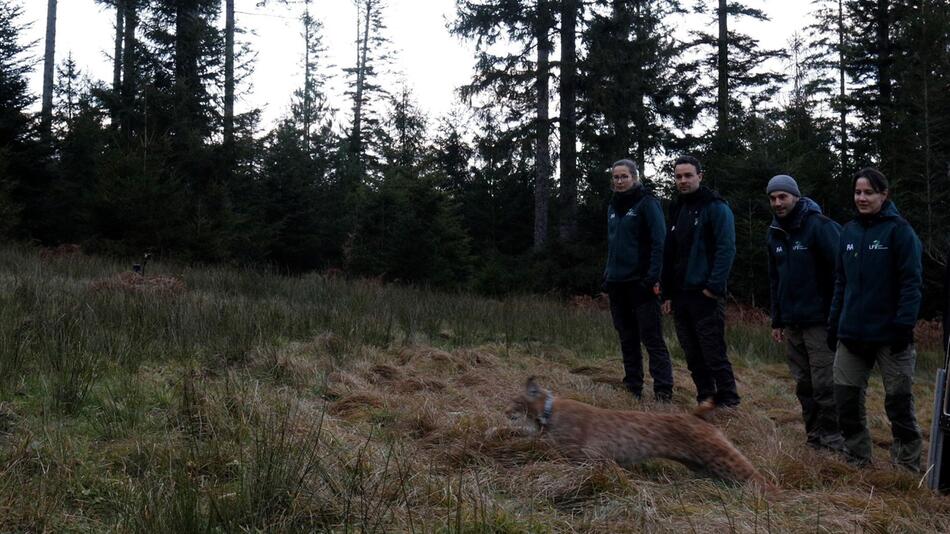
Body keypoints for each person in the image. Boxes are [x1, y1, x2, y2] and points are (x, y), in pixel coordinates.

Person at [828, 167, 923, 471]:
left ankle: (906, 466)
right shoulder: (849, 232)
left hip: (890, 336)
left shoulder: (900, 231)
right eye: (858, 192)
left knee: (898, 402)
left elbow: (911, 283)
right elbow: (841, 282)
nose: (862, 198)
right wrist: (834, 323)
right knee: (845, 400)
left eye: (869, 192)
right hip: (852, 334)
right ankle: (857, 458)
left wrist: (903, 326)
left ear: (884, 195)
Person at [765, 174, 844, 451]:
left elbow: (841, 271)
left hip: (820, 321)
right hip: (792, 321)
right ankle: (814, 436)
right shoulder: (774, 232)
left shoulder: (819, 226)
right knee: (804, 384)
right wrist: (777, 319)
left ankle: (834, 439)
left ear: (795, 196)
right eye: (773, 198)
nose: (777, 203)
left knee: (825, 383)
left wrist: (837, 314)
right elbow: (775, 279)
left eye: (782, 197)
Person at [660, 155, 739, 408]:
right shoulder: (678, 208)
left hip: (705, 294)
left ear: (700, 176)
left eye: (688, 175)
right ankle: (706, 398)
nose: (682, 180)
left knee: (713, 352)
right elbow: (670, 253)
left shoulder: (716, 207)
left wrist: (713, 288)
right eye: (678, 176)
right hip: (681, 294)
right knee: (692, 354)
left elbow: (726, 249)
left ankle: (728, 401)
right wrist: (667, 293)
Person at [604, 159, 674, 402]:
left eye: (624, 176)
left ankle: (663, 391)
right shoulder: (612, 206)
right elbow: (612, 245)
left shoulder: (647, 203)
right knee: (627, 337)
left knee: (652, 338)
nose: (620, 181)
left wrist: (652, 278)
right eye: (616, 177)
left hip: (641, 284)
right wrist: (608, 276)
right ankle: (633, 387)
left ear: (634, 177)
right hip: (617, 284)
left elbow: (659, 242)